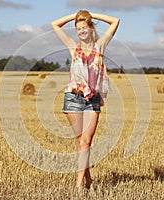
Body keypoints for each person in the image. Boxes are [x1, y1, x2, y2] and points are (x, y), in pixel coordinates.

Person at [51, 10, 119, 192]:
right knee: (81, 142)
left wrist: (93, 16)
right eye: (77, 28)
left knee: (86, 142)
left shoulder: (100, 46)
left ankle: (80, 185)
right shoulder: (73, 47)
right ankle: (84, 184)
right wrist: (75, 15)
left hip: (93, 100)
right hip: (73, 98)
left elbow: (115, 20)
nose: (80, 31)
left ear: (90, 28)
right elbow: (54, 25)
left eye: (83, 28)